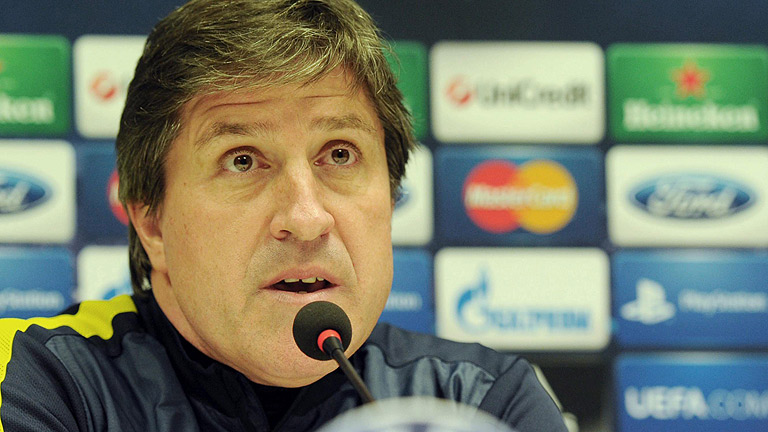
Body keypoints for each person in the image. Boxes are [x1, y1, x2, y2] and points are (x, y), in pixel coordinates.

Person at [0, 1, 569, 431]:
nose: (305, 217)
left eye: (339, 154)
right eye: (242, 160)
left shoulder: (478, 402)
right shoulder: (37, 381)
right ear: (151, 222)